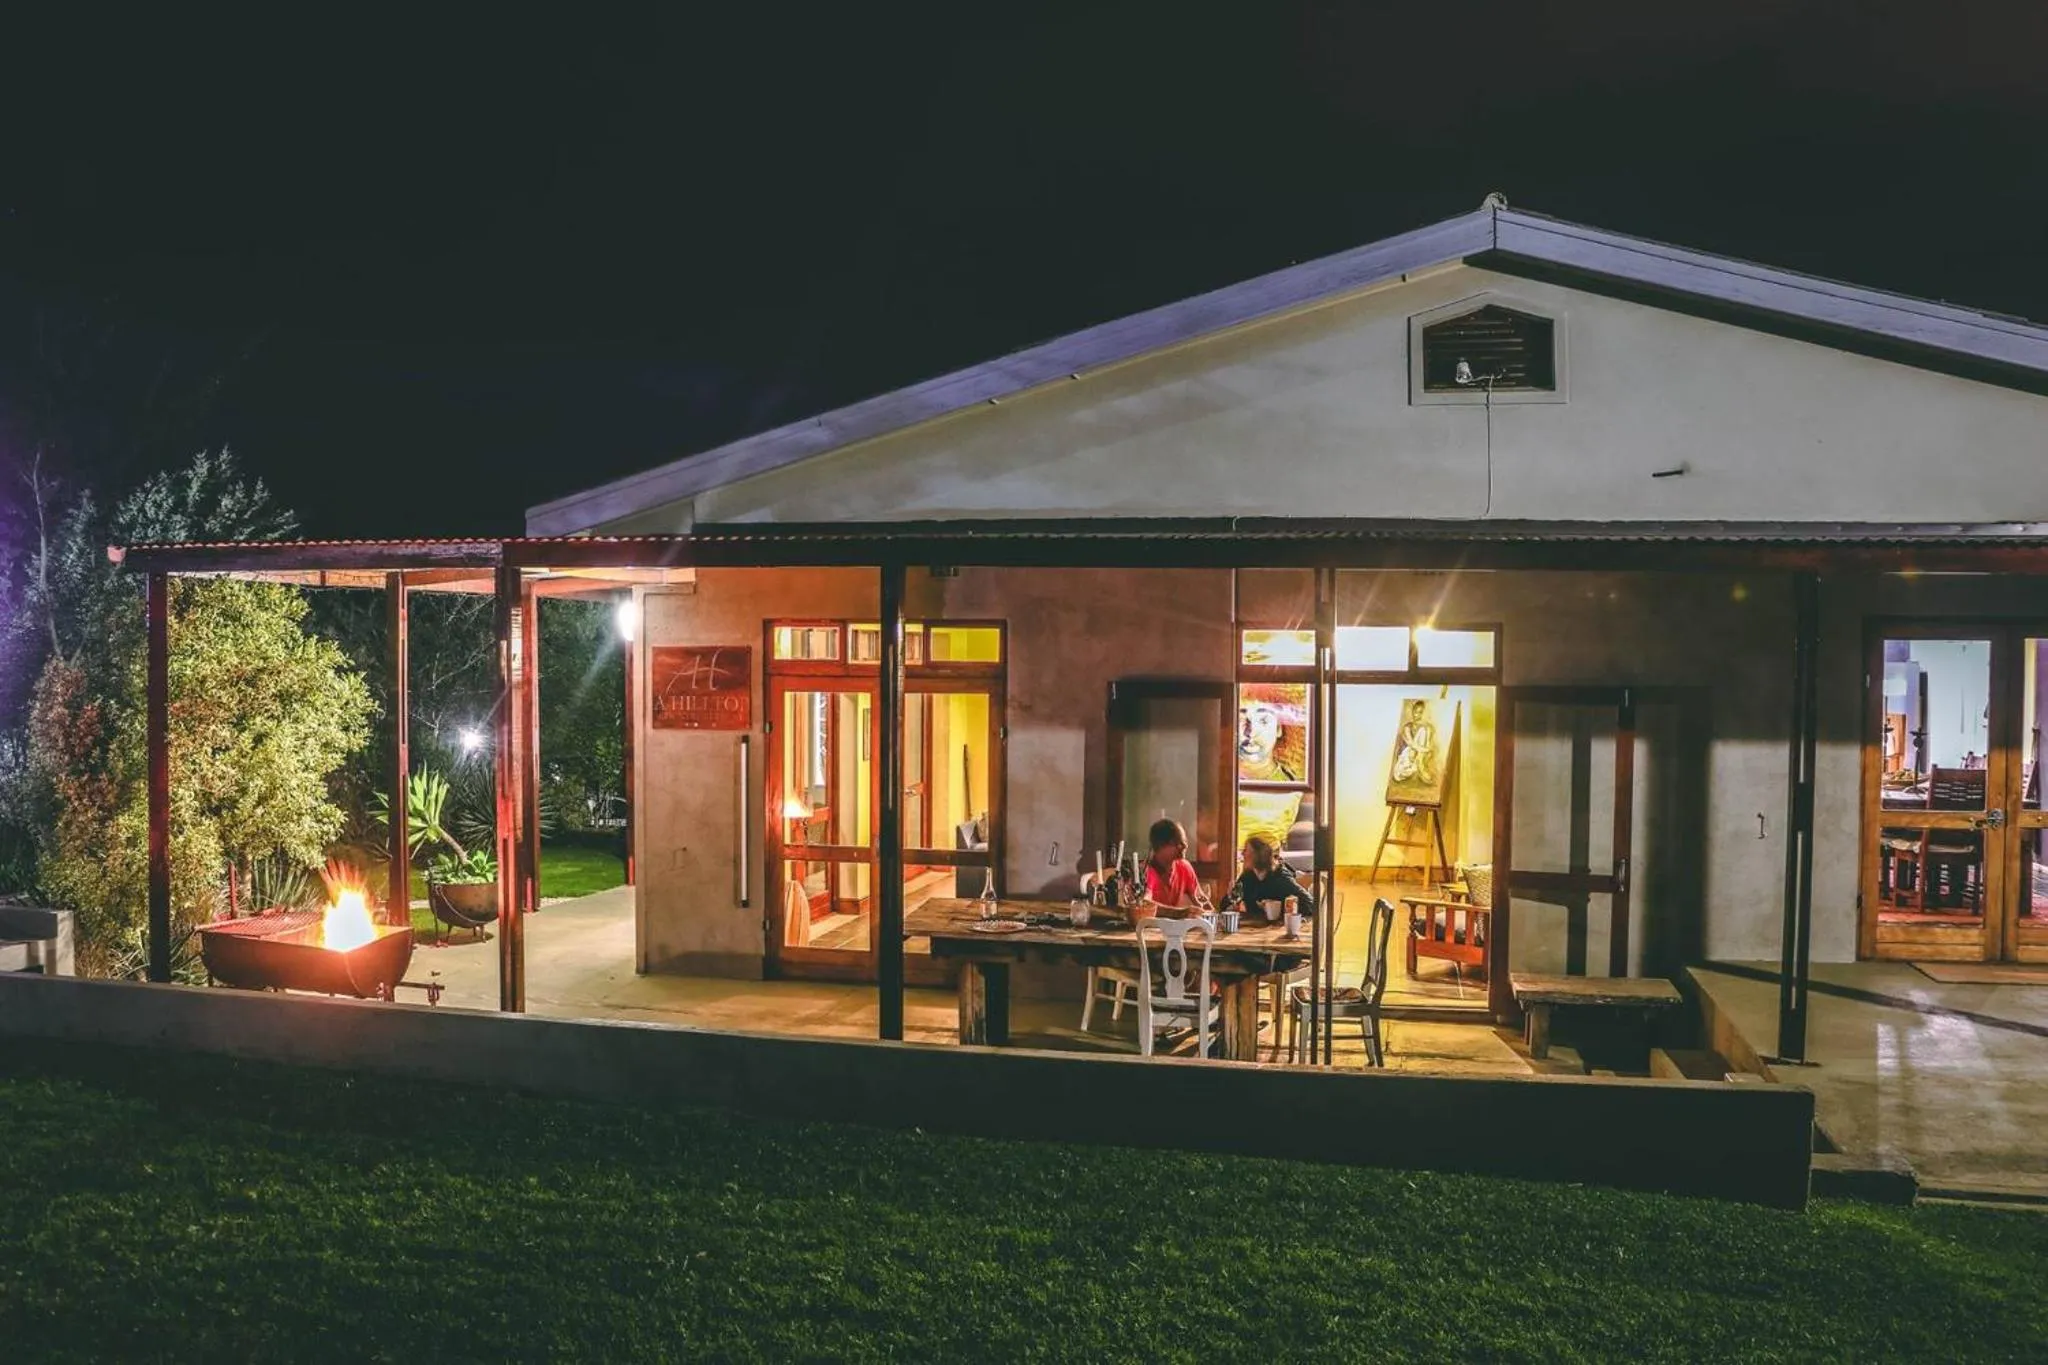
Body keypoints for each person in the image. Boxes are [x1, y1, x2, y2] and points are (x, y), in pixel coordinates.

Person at [1227, 835, 1317, 919]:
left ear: (1257, 855)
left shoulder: (1280, 878)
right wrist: (1231, 896)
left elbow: (1310, 905)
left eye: (1245, 850)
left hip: (1277, 929)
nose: (1242, 854)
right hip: (1253, 928)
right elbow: (1226, 905)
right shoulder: (1247, 876)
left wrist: (1280, 908)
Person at [1143, 818, 1205, 912]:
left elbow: (1202, 902)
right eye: (1177, 842)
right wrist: (1180, 913)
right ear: (1160, 846)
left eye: (1185, 841)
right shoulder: (1147, 871)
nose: (1185, 846)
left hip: (1175, 926)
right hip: (1150, 926)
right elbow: (1144, 905)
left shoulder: (1184, 867)